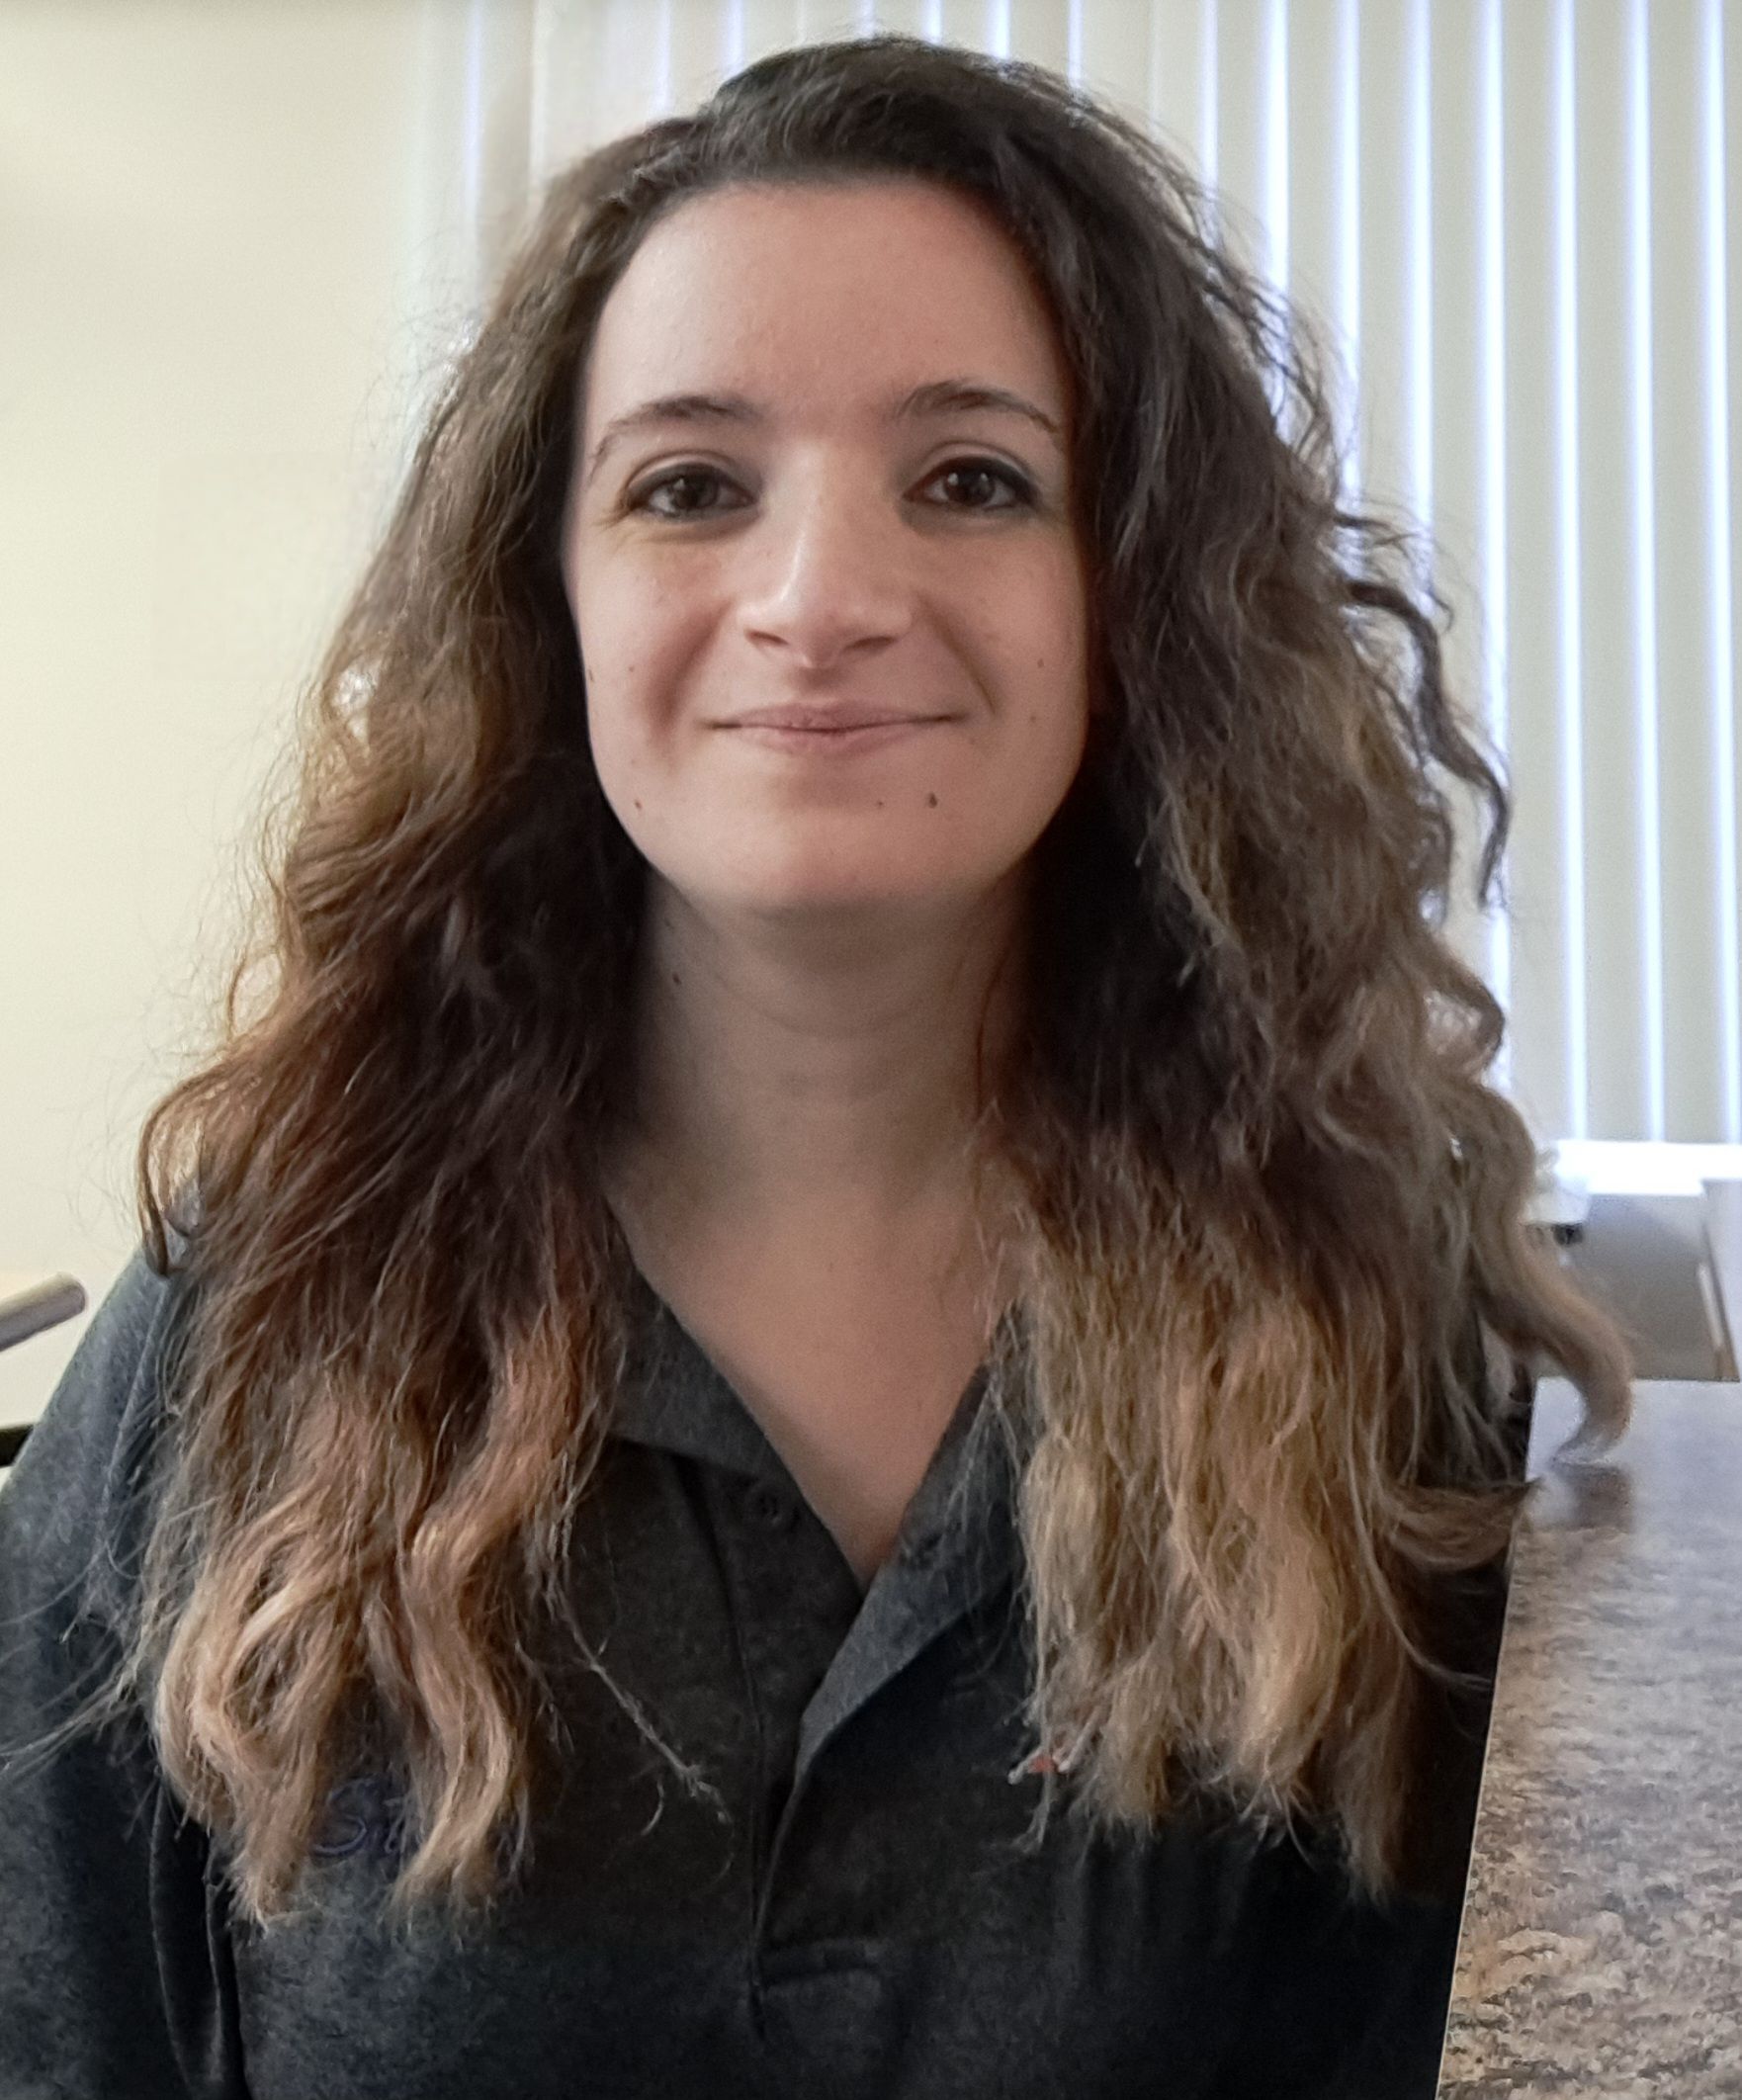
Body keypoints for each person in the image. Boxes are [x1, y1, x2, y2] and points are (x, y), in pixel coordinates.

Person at [0, 32, 1632, 2100]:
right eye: (689, 485)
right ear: (550, 599)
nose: (820, 598)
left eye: (970, 479)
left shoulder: (1370, 1340)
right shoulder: (263, 1295)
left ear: (1122, 596)